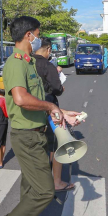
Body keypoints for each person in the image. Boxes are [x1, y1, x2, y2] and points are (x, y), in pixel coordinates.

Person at [0, 16, 82, 216]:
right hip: (26, 136)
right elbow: (21, 99)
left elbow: (40, 102)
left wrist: (61, 112)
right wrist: (50, 107)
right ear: (29, 35)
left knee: (31, 188)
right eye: (38, 34)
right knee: (44, 191)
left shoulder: (30, 62)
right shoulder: (15, 63)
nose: (39, 38)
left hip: (39, 133)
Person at [33, 37, 73, 192]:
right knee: (56, 145)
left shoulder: (27, 63)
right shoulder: (47, 65)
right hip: (50, 108)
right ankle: (56, 182)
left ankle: (40, 181)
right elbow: (57, 89)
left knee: (39, 146)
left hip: (32, 109)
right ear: (48, 49)